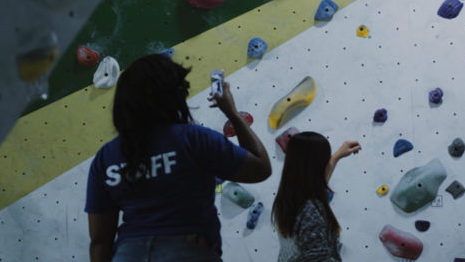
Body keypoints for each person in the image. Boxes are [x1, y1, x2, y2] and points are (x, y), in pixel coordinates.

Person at [84, 54, 272, 262]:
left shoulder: (106, 157)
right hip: (188, 251)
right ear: (174, 95)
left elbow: (100, 241)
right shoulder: (193, 139)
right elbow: (260, 168)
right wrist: (232, 113)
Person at [273, 132, 361, 262]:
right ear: (318, 165)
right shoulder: (310, 209)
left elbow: (315, 184)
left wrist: (336, 156)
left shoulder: (288, 199)